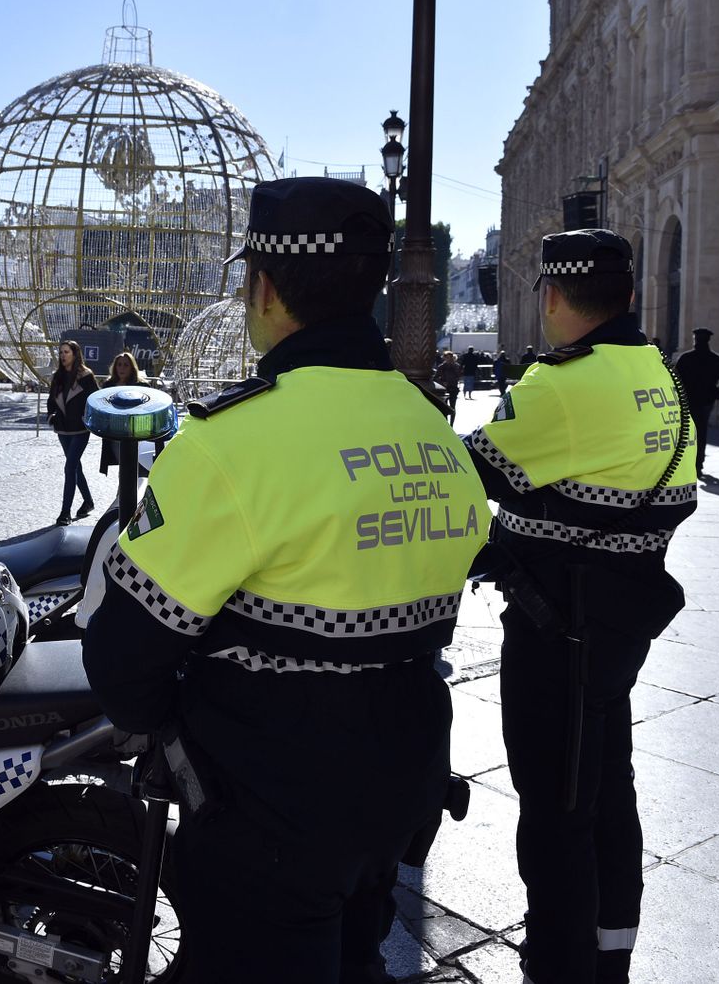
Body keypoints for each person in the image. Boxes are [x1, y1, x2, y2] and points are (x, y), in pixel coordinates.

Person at [84, 177, 489, 984]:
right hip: (401, 785)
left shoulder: (233, 440)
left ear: (263, 288)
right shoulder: (431, 429)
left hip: (270, 808)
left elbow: (123, 662)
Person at [462, 229, 697, 984]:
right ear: (629, 297)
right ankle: (609, 950)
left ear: (554, 297)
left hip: (556, 624)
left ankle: (559, 963)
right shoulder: (660, 374)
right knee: (606, 790)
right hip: (622, 619)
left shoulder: (561, 383)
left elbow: (474, 471)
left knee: (556, 803)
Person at [47, 339, 99, 525]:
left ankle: (65, 512)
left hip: (80, 429)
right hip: (62, 429)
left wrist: (89, 419)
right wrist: (51, 415)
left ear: (75, 354)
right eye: (61, 352)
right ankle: (88, 502)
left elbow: (95, 399)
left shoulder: (86, 376)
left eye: (66, 352)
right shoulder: (57, 376)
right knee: (75, 466)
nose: (62, 356)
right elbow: (51, 401)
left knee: (69, 467)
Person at [674, 327, 719, 479]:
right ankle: (698, 464)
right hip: (705, 402)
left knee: (685, 434)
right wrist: (715, 395)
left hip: (687, 401)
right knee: (701, 434)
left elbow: (674, 379)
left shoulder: (685, 358)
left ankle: (687, 463)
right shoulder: (716, 360)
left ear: (695, 340)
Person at [97, 350, 144, 475]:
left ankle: (124, 494)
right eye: (119, 364)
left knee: (134, 468)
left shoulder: (141, 386)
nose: (122, 368)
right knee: (125, 467)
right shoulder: (108, 386)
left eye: (126, 365)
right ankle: (122, 494)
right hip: (115, 432)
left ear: (132, 367)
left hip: (136, 432)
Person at [434, 348, 463, 424]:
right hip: (444, 389)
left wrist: (454, 368)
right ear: (444, 358)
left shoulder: (456, 366)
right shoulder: (442, 367)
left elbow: (459, 375)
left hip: (453, 388)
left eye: (450, 357)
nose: (449, 359)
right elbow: (435, 377)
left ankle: (452, 424)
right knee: (444, 407)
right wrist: (442, 382)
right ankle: (446, 422)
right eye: (447, 357)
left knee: (453, 407)